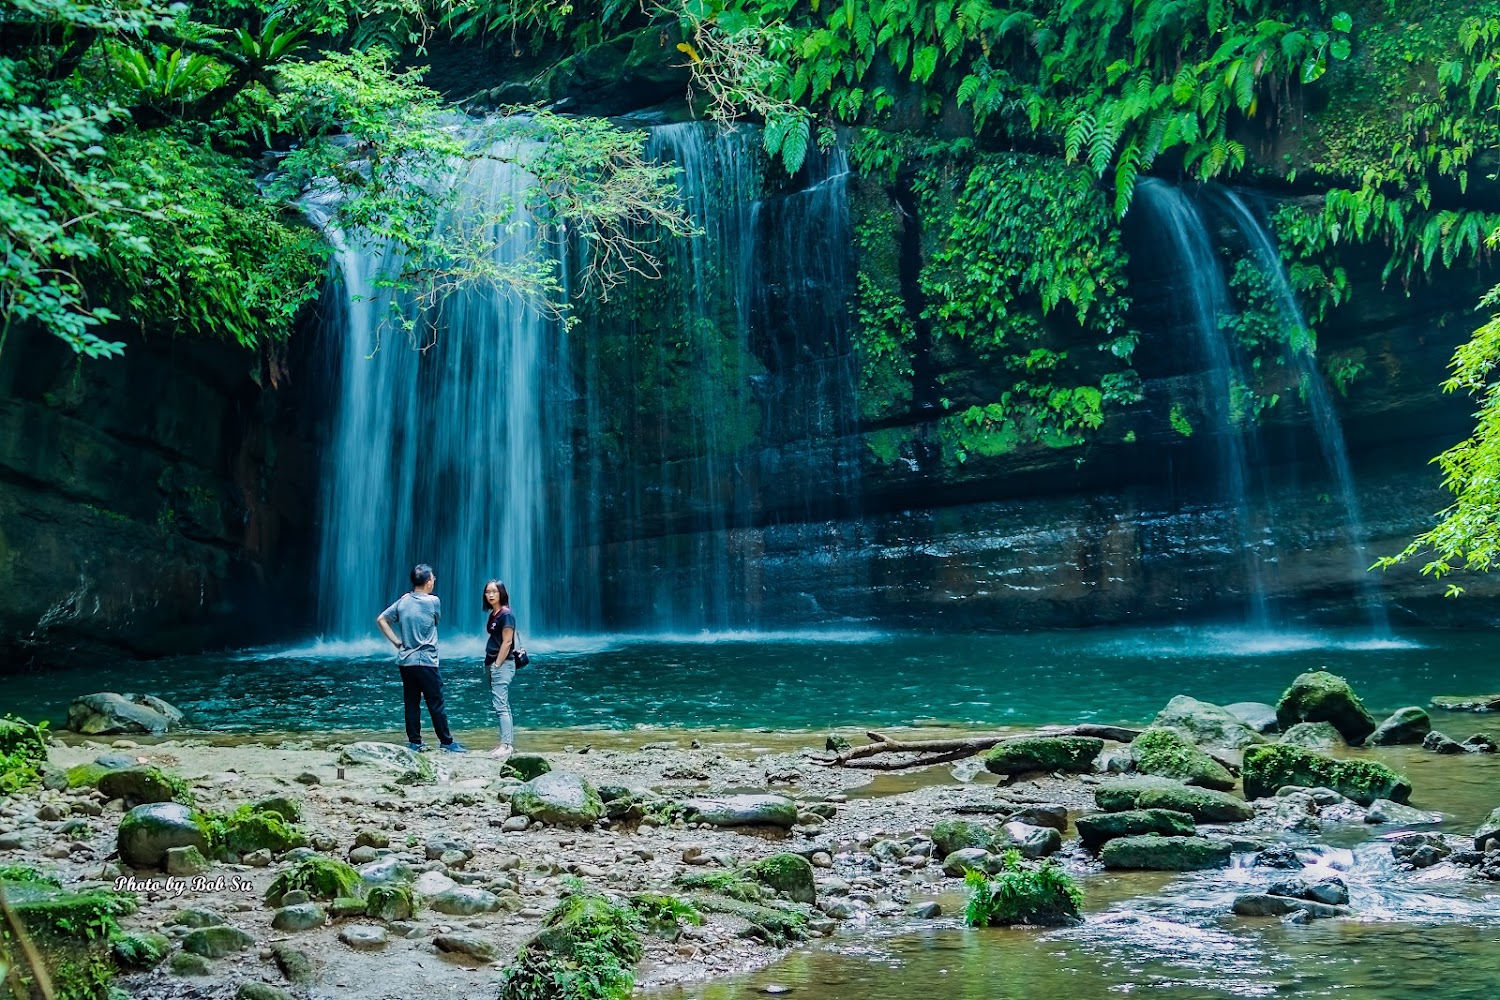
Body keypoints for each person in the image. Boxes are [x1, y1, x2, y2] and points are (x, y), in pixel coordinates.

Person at [377, 563, 466, 753]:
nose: (434, 581)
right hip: (426, 660)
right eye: (433, 578)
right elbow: (436, 620)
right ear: (427, 582)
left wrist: (396, 642)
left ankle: (415, 742)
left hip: (406, 660)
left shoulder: (402, 602)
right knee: (435, 702)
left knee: (411, 702)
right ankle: (447, 742)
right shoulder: (433, 601)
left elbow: (381, 620)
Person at [482, 579, 518, 758]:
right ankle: (506, 742)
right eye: (488, 592)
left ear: (501, 593)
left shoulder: (506, 615)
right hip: (492, 663)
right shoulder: (494, 614)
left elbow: (507, 642)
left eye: (494, 592)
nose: (490, 595)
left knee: (500, 706)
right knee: (503, 704)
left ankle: (506, 745)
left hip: (502, 664)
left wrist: (497, 664)